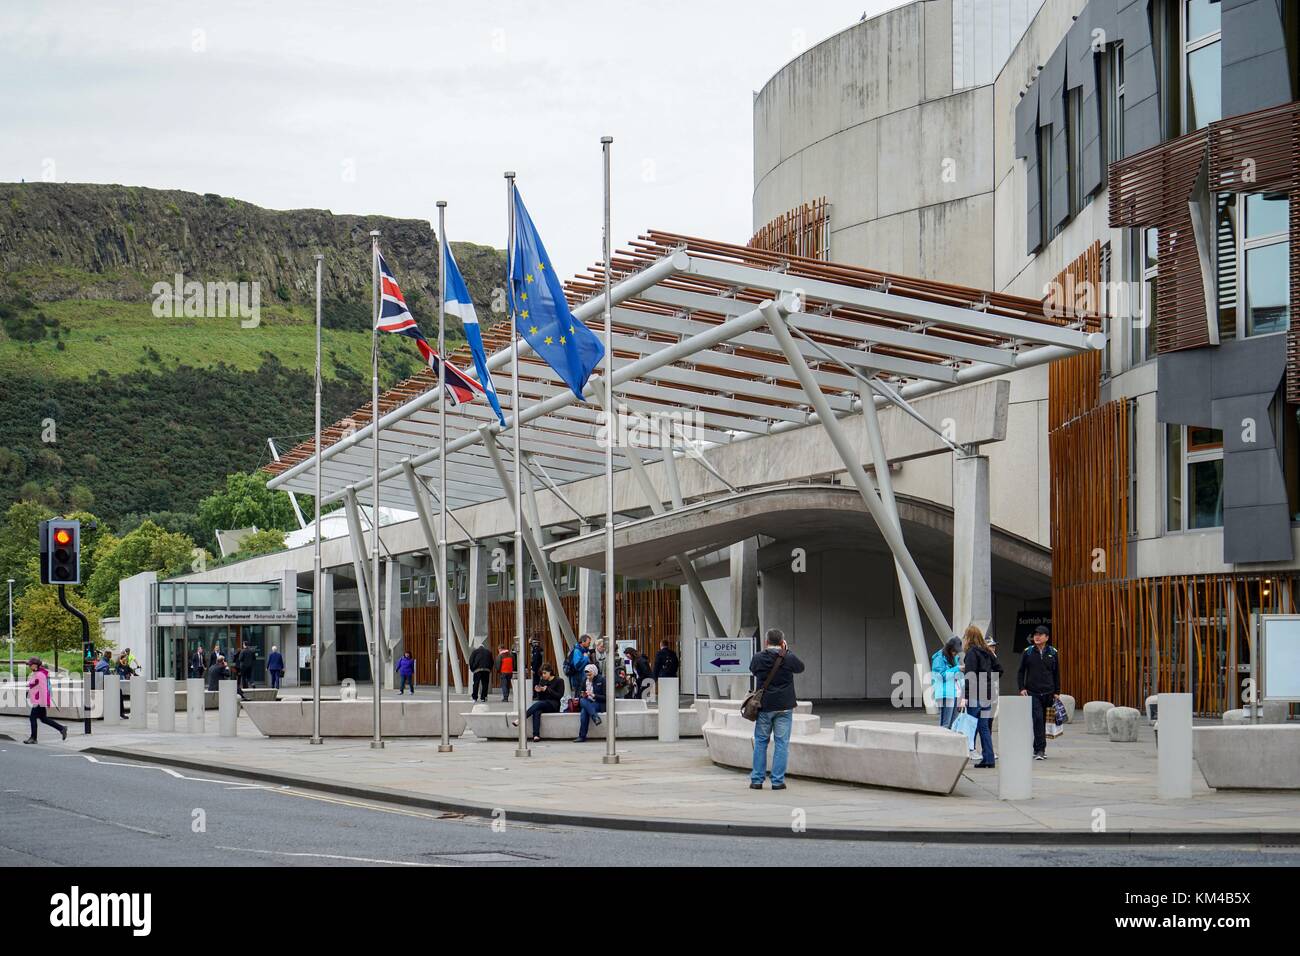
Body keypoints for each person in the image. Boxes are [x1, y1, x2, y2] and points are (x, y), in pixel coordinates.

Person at [747, 629, 805, 791]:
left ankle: (757, 780)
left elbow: (752, 670)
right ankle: (778, 781)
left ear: (766, 642)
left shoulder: (759, 658)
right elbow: (800, 668)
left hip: (764, 706)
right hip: (784, 707)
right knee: (781, 744)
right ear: (782, 642)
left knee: (760, 742)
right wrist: (787, 651)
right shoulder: (788, 657)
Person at [1017, 625, 1060, 761]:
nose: (1037, 637)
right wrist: (1022, 688)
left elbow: (1056, 673)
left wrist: (1057, 691)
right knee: (1037, 719)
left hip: (1049, 692)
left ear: (1046, 637)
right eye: (1035, 634)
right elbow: (1021, 671)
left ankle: (1039, 748)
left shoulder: (1053, 652)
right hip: (1033, 692)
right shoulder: (1028, 652)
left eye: (1040, 634)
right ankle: (1040, 750)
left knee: (1044, 721)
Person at [962, 625, 1002, 769]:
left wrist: (965, 696)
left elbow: (969, 676)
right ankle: (989, 758)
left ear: (968, 638)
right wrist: (988, 680)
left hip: (975, 694)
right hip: (987, 694)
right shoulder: (988, 652)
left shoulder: (972, 653)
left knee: (971, 726)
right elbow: (999, 669)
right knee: (984, 727)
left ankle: (969, 753)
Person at [513, 664, 565, 741]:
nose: (543, 675)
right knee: (536, 711)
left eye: (544, 673)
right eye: (542, 673)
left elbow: (559, 695)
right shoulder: (542, 681)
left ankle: (521, 719)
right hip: (543, 704)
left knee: (538, 704)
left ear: (550, 672)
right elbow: (541, 698)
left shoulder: (559, 681)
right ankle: (536, 735)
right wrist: (539, 692)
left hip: (553, 705)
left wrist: (547, 690)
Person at [23, 657, 67, 744]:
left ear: (35, 665)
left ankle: (33, 738)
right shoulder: (37, 673)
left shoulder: (40, 674)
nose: (29, 666)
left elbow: (43, 689)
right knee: (43, 719)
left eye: (30, 665)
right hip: (38, 699)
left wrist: (44, 702)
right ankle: (61, 728)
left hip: (39, 700)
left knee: (32, 718)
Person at [930, 637, 964, 729]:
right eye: (954, 651)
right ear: (949, 648)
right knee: (945, 725)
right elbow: (940, 676)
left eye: (957, 651)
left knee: (953, 725)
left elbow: (958, 677)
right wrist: (957, 669)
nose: (955, 653)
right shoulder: (939, 658)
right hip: (945, 694)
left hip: (956, 693)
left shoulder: (955, 658)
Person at [574, 663, 606, 742]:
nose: (588, 676)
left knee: (584, 712)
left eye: (590, 674)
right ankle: (595, 717)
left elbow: (606, 697)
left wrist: (593, 695)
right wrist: (583, 695)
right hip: (587, 701)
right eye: (587, 675)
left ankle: (582, 736)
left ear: (594, 672)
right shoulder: (585, 680)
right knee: (582, 701)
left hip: (598, 702)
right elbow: (580, 694)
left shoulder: (601, 680)